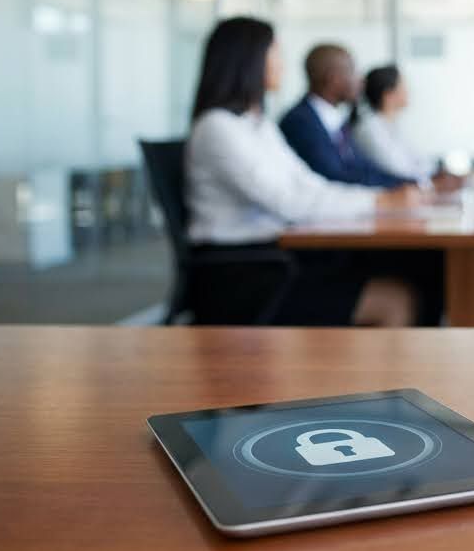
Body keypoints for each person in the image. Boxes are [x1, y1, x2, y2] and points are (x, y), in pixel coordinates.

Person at [185, 17, 430, 327]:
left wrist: (382, 198)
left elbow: (309, 185)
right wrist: (381, 203)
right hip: (242, 277)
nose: (282, 65)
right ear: (249, 61)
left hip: (276, 260)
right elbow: (291, 202)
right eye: (275, 55)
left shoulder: (256, 125)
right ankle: (382, 377)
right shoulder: (218, 128)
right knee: (396, 300)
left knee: (407, 272)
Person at [279, 44, 412, 188]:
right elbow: (334, 176)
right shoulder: (300, 122)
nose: (361, 80)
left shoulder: (335, 120)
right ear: (334, 78)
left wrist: (408, 184)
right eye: (353, 71)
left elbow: (363, 167)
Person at [351, 65, 436, 184]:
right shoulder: (369, 129)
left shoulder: (392, 125)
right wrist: (431, 178)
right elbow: (401, 171)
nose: (408, 91)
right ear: (388, 95)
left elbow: (423, 163)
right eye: (403, 87)